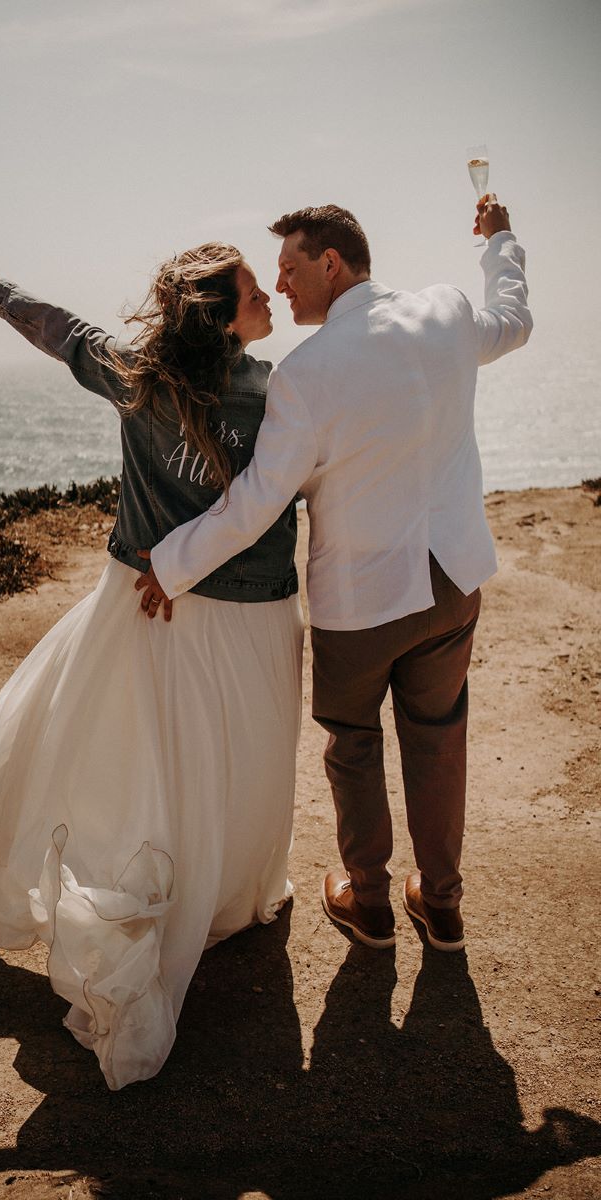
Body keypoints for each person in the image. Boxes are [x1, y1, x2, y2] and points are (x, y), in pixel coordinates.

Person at [139, 195, 533, 953]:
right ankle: (442, 906)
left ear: (331, 263)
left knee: (353, 745)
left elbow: (256, 502)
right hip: (452, 581)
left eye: (288, 270)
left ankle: (373, 904)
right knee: (439, 739)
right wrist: (500, 241)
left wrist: (171, 561)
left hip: (361, 603)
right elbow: (512, 317)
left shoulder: (305, 373)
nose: (279, 288)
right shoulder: (446, 314)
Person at [0, 243, 303, 1089]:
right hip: (241, 613)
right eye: (257, 293)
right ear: (222, 318)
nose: (271, 303)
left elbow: (64, 333)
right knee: (226, 764)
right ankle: (223, 895)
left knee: (152, 762)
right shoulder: (275, 393)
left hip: (152, 598)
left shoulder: (141, 375)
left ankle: (209, 893)